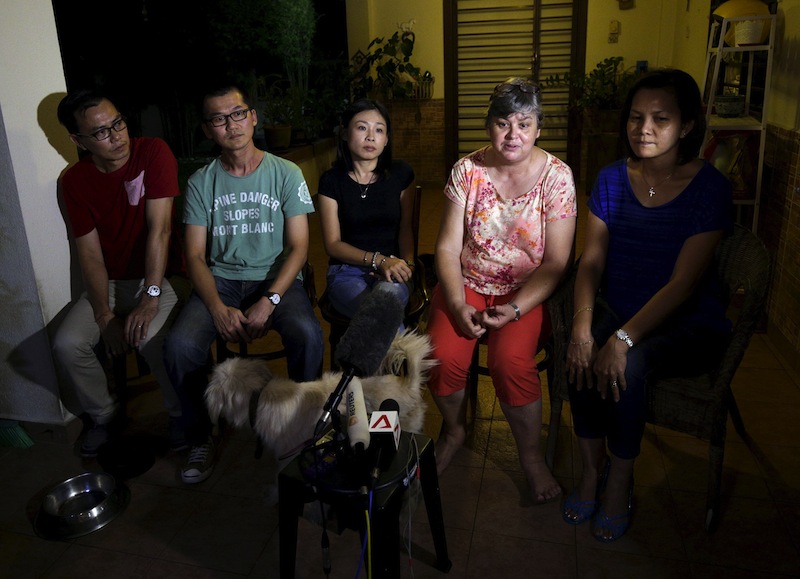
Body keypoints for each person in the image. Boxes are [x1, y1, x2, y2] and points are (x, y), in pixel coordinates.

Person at [563, 69, 733, 542]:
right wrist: (583, 327)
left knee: (627, 364)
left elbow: (682, 284)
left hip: (686, 323)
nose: (645, 129)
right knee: (580, 351)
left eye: (661, 118)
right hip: (620, 307)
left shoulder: (709, 189)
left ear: (687, 126)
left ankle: (619, 479)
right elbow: (591, 261)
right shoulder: (612, 178)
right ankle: (591, 471)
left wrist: (622, 338)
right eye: (637, 117)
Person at [164, 81, 324, 484]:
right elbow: (196, 256)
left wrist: (270, 299)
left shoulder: (286, 173)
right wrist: (217, 307)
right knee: (180, 346)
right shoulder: (202, 182)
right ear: (207, 130)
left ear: (252, 117)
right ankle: (200, 434)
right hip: (222, 281)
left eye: (237, 114)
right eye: (218, 119)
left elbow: (300, 248)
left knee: (307, 333)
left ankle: (306, 429)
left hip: (275, 279)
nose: (231, 125)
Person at [427, 77, 576, 504]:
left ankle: (531, 459)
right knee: (441, 355)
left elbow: (556, 263)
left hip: (526, 292)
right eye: (502, 123)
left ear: (538, 128)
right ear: (489, 125)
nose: (513, 135)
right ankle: (455, 431)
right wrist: (456, 304)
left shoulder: (557, 178)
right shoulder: (467, 171)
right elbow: (447, 246)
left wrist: (513, 309)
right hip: (468, 283)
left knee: (510, 363)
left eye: (524, 124)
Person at [52, 89, 185, 457]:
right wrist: (104, 315)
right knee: (67, 343)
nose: (117, 137)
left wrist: (150, 297)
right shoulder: (74, 181)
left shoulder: (152, 152)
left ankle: (180, 416)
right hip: (108, 283)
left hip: (155, 276)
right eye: (101, 133)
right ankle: (105, 415)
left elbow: (160, 229)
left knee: (151, 339)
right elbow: (90, 255)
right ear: (78, 140)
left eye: (118, 124)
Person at [317, 98, 416, 321]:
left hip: (393, 268)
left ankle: (372, 357)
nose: (371, 136)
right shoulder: (331, 181)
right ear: (344, 133)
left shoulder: (401, 174)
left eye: (379, 130)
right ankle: (405, 356)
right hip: (346, 273)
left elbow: (406, 229)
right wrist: (378, 260)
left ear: (387, 140)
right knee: (378, 314)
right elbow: (333, 244)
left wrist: (407, 267)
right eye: (362, 127)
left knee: (385, 302)